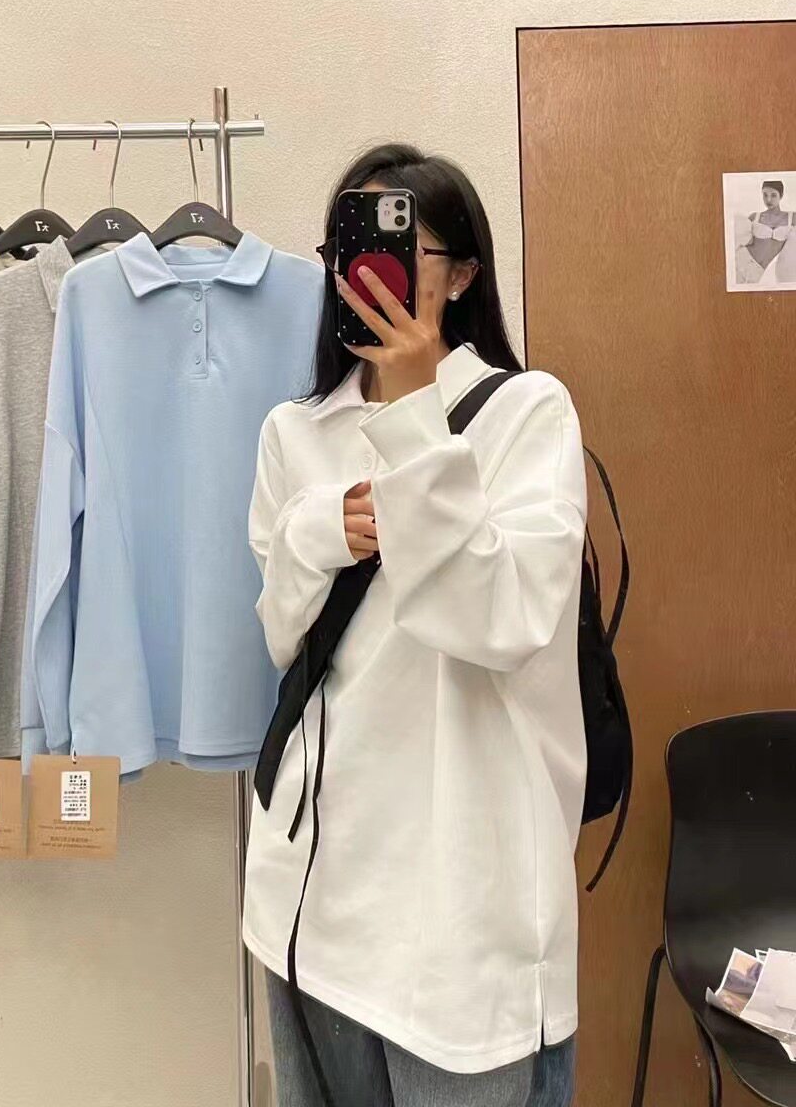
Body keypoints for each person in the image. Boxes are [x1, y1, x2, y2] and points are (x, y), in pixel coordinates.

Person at [243, 143, 587, 1107]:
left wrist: (412, 415)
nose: (367, 272)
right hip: (309, 892)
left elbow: (503, 620)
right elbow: (282, 637)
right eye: (348, 248)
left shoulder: (527, 414)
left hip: (462, 911)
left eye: (399, 247)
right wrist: (319, 530)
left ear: (463, 274)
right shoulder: (293, 432)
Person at [734, 179, 796, 286]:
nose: (768, 199)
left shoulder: (792, 217)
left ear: (781, 196)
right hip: (741, 259)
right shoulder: (755, 217)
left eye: (773, 195)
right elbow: (742, 237)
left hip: (759, 271)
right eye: (765, 195)